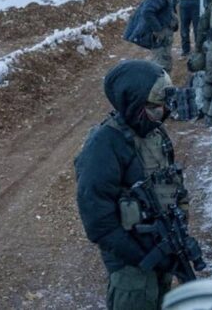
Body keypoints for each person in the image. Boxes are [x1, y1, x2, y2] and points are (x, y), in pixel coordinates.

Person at [74, 60, 189, 310]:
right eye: (154, 107)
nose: (162, 113)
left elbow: (173, 184)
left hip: (159, 255)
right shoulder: (105, 143)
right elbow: (96, 217)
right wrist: (142, 256)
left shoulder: (155, 135)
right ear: (133, 102)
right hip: (131, 268)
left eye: (162, 106)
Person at [142, 0, 178, 72]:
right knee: (161, 63)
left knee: (165, 60)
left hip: (166, 35)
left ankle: (164, 84)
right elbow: (147, 12)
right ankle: (161, 85)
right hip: (162, 36)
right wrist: (158, 30)